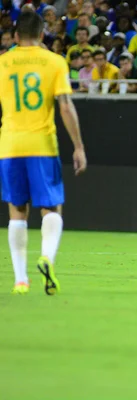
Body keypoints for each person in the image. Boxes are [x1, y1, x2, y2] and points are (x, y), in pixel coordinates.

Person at [0, 12, 87, 295]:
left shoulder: (3, 63)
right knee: (51, 208)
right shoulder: (54, 62)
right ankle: (47, 256)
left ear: (15, 36)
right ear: (42, 34)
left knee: (17, 211)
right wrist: (78, 146)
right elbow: (65, 106)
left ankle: (20, 280)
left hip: (10, 145)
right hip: (42, 144)